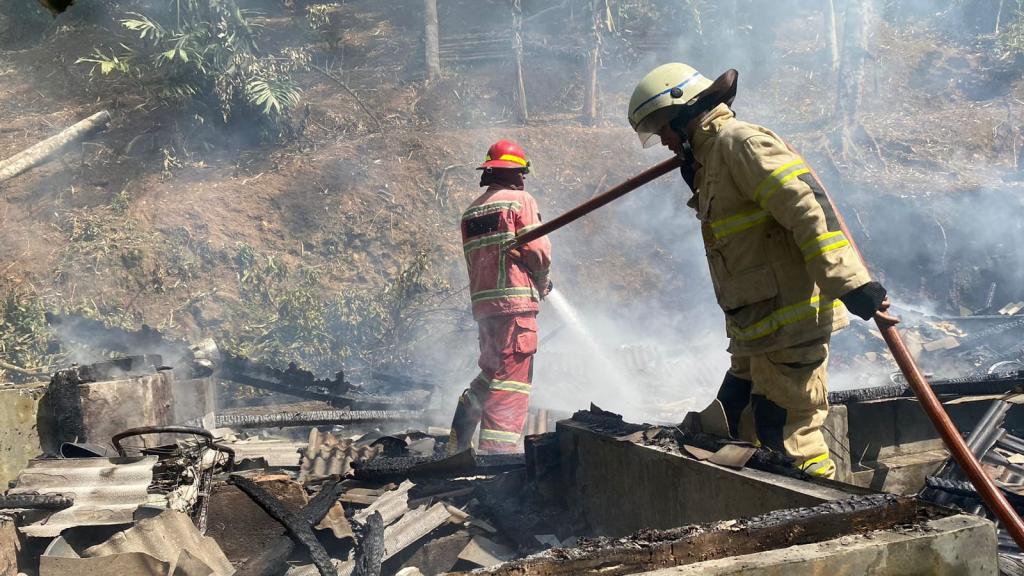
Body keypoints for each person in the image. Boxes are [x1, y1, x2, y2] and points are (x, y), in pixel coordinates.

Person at [627, 63, 892, 478]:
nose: (661, 140)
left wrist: (850, 282)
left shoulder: (741, 144)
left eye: (662, 127)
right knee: (735, 426)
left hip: (791, 327)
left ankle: (828, 517)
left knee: (788, 438)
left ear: (682, 113)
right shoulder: (712, 158)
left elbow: (808, 209)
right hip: (756, 332)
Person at [447, 139, 552, 454]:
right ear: (517, 172)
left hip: (486, 310)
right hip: (516, 309)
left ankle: (462, 426)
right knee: (511, 385)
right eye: (522, 173)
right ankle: (495, 460)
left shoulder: (471, 212)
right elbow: (537, 250)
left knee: (492, 372)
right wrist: (543, 280)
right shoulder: (520, 201)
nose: (523, 180)